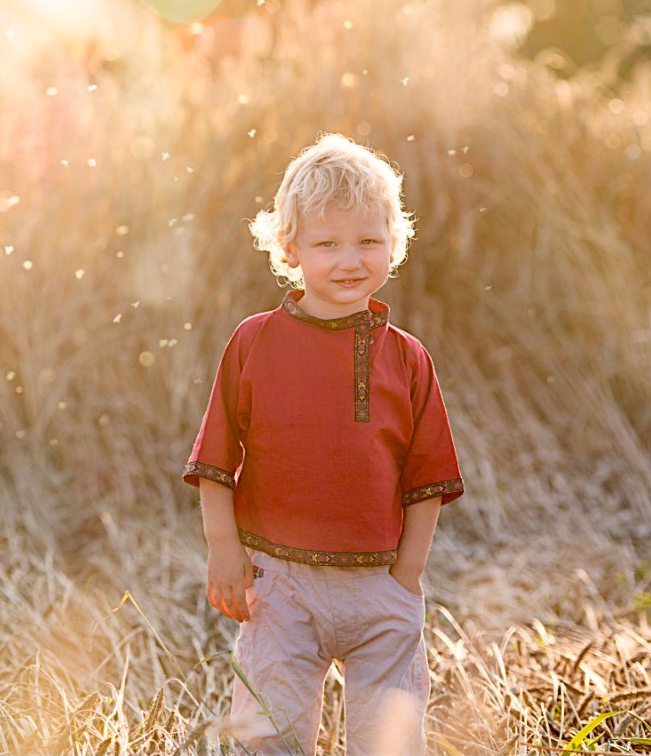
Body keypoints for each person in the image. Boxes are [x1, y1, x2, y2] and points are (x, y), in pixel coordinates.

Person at [183, 133, 465, 755]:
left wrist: (406, 577)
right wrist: (224, 552)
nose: (350, 260)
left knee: (390, 745)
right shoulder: (254, 343)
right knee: (267, 739)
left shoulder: (408, 359)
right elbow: (214, 465)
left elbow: (428, 482)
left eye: (368, 241)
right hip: (279, 587)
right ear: (290, 249)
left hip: (379, 589)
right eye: (327, 243)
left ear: (393, 242)